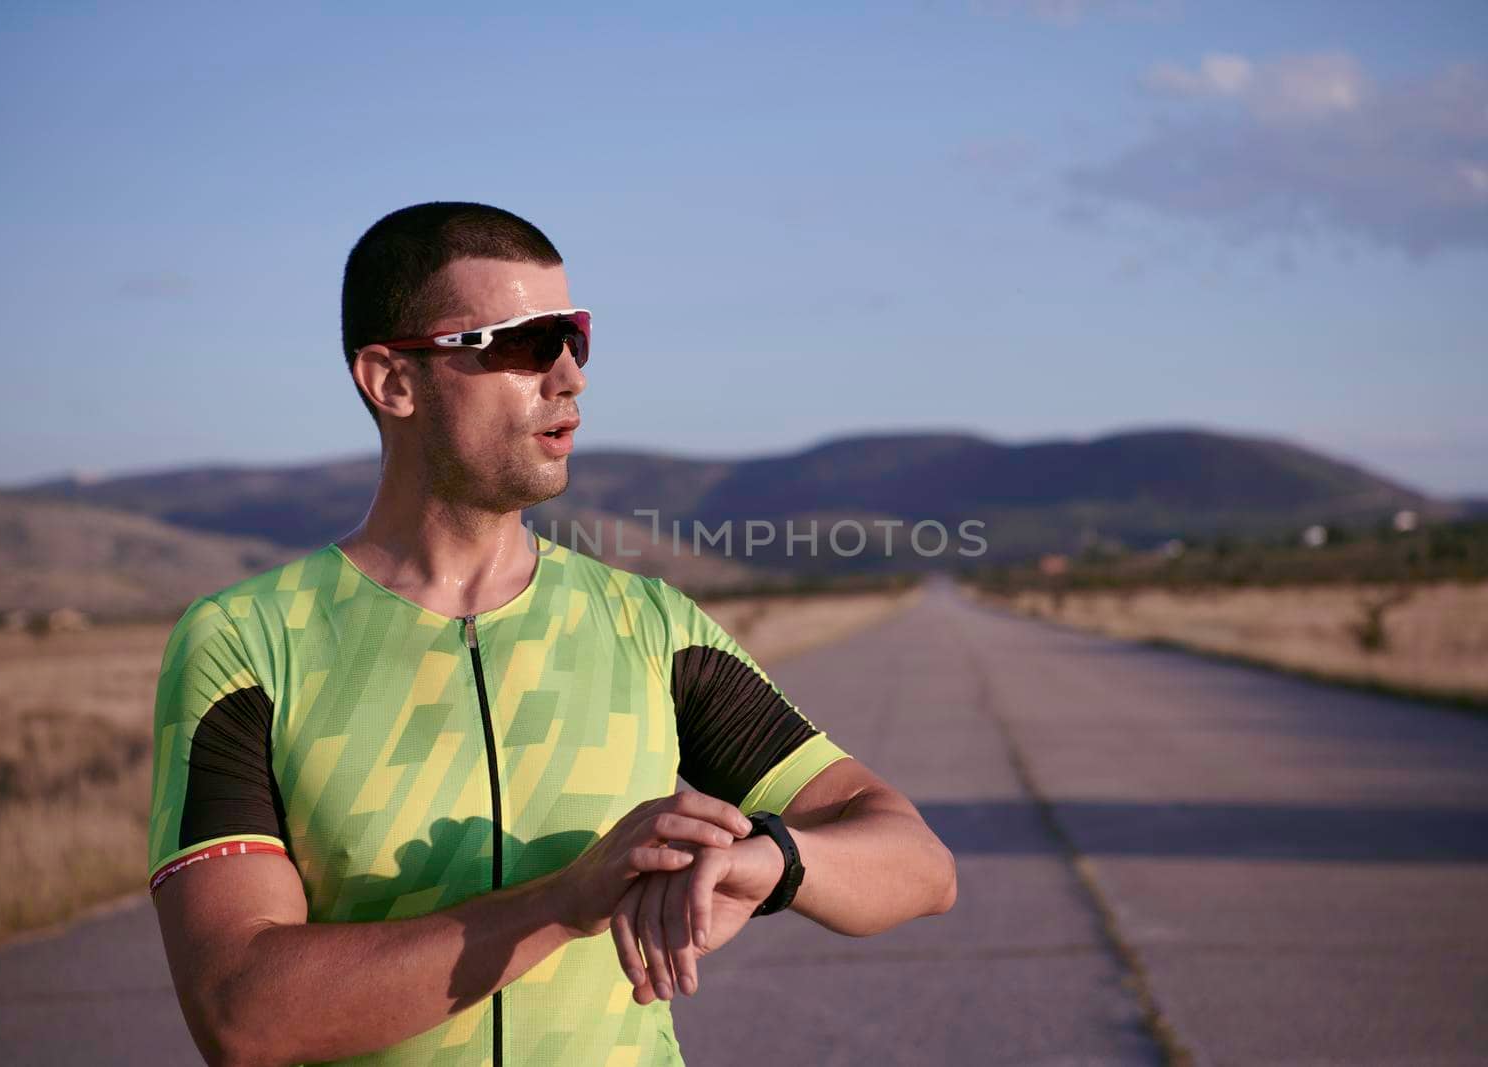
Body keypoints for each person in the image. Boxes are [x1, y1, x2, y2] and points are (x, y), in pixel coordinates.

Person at [148, 201, 957, 1067]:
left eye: (575, 336)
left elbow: (919, 864)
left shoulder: (648, 625)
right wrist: (564, 900)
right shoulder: (248, 643)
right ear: (393, 380)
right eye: (526, 342)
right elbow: (241, 1011)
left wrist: (779, 860)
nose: (568, 375)